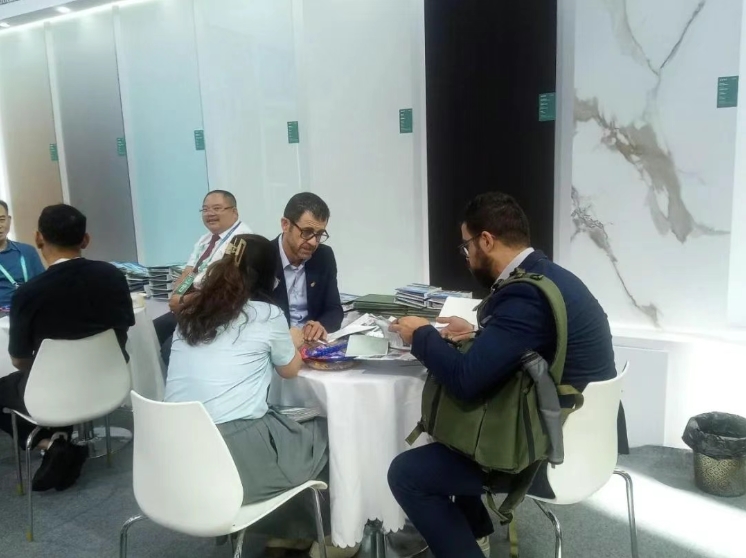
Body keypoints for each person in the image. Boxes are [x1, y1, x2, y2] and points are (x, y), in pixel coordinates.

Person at [387, 192, 617, 558]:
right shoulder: (550, 276)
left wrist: (421, 335)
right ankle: (474, 531)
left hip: (551, 454)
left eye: (466, 246)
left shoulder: (526, 296)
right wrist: (479, 334)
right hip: (585, 438)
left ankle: (466, 539)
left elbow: (465, 381)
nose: (466, 256)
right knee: (453, 436)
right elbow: (528, 345)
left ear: (486, 240)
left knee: (407, 473)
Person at [165, 234, 340, 556]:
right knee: (325, 430)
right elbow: (290, 369)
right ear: (269, 276)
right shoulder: (266, 314)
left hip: (172, 459)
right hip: (232, 458)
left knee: (279, 425)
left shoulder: (190, 314)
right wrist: (293, 338)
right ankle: (331, 537)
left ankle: (287, 533)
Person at [0, 204, 135, 492]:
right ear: (85, 240)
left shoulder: (28, 294)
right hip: (110, 382)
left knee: (11, 385)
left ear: (38, 238)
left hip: (55, 392)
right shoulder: (113, 275)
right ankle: (60, 440)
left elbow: (19, 360)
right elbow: (123, 330)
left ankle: (50, 443)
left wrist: (49, 368)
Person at [153, 190, 252, 364]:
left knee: (171, 350)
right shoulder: (206, 239)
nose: (210, 214)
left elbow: (224, 290)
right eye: (205, 209)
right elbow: (190, 272)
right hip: (195, 305)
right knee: (155, 329)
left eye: (217, 208)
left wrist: (183, 302)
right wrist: (179, 295)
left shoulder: (242, 241)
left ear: (234, 212)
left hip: (220, 310)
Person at [274, 193, 343, 342]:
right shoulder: (262, 257)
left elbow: (334, 309)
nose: (313, 242)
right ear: (285, 225)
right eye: (306, 232)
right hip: (277, 344)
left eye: (319, 234)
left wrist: (321, 325)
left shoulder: (323, 256)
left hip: (311, 343)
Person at [0, 200, 46, 313]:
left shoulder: (27, 251)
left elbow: (43, 286)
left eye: (1, 220)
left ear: (9, 220)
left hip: (32, 311)